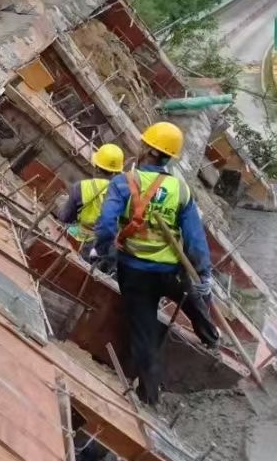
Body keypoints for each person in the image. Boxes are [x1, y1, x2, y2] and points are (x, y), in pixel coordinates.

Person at [91, 121, 219, 403]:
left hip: (135, 274)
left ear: (148, 149)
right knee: (197, 302)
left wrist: (107, 256)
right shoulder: (180, 190)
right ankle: (212, 339)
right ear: (169, 156)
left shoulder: (123, 183)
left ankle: (149, 398)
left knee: (144, 335)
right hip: (172, 271)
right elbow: (195, 238)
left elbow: (104, 227)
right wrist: (204, 273)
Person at [55, 143, 125, 248]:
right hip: (104, 247)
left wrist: (60, 204)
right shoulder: (124, 193)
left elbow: (66, 217)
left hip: (80, 241)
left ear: (96, 167)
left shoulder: (81, 187)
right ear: (116, 172)